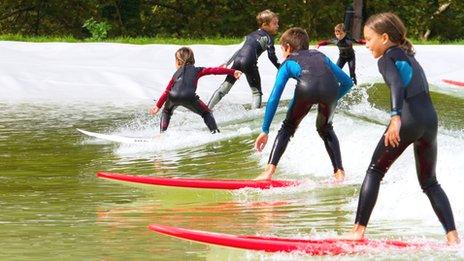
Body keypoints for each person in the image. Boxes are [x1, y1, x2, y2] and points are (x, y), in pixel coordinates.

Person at [344, 12, 460, 245]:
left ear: (384, 38)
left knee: (375, 171)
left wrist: (395, 117)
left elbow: (397, 84)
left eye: (369, 38)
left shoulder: (386, 58)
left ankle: (357, 232)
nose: (366, 44)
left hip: (407, 118)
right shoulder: (408, 56)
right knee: (429, 182)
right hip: (429, 121)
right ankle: (453, 238)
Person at [254, 27, 353, 181]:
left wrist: (265, 129)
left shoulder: (287, 63)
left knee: (287, 127)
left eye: (282, 50)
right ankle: (339, 172)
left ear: (287, 47)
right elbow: (347, 82)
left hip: (305, 90)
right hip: (331, 89)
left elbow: (274, 97)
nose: (283, 54)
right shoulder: (321, 55)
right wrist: (330, 99)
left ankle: (269, 172)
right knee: (325, 128)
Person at [149, 47, 242, 133]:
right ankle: (215, 132)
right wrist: (233, 72)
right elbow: (214, 70)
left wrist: (158, 105)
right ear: (192, 59)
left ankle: (161, 134)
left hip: (173, 96)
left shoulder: (175, 75)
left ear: (178, 61)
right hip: (189, 96)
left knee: (166, 111)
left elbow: (167, 91)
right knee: (206, 113)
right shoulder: (198, 70)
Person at [208, 9, 280, 110]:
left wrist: (226, 62)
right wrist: (280, 67)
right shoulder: (268, 38)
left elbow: (238, 48)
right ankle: (254, 115)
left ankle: (207, 109)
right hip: (249, 62)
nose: (278, 26)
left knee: (225, 87)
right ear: (265, 24)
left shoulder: (250, 35)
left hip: (237, 61)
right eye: (275, 23)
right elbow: (272, 56)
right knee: (256, 92)